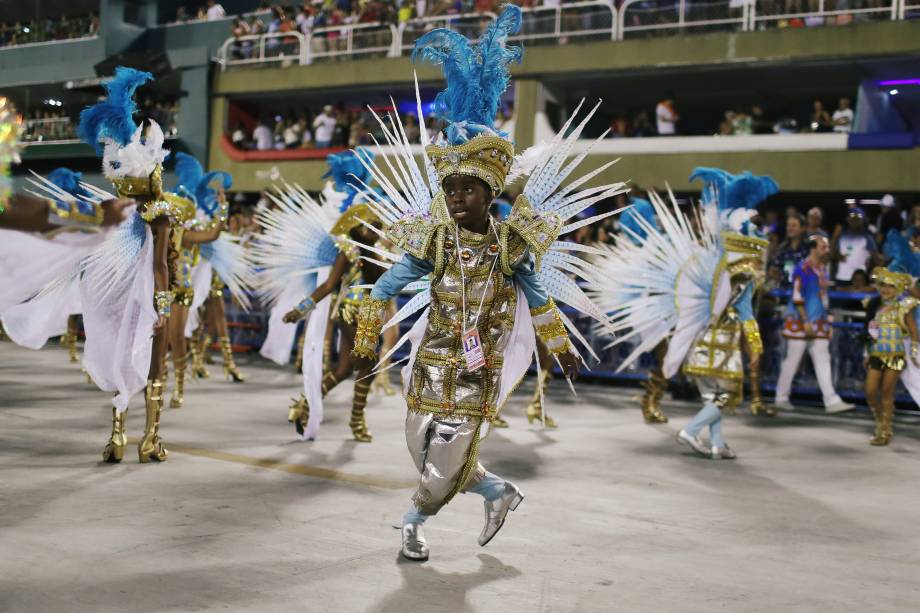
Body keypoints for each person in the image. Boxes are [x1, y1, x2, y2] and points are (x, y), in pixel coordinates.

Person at [350, 6, 622, 561]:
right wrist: (366, 323)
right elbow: (391, 281)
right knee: (420, 445)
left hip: (477, 369)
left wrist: (560, 346)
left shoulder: (510, 244)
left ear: (490, 193)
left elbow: (541, 298)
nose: (455, 199)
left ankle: (411, 522)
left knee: (445, 457)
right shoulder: (436, 239)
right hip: (429, 361)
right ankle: (497, 491)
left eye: (467, 191)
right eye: (450, 190)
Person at [773, 235, 855, 413]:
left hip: (818, 322)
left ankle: (831, 400)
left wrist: (827, 321)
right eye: (823, 247)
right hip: (802, 320)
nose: (827, 250)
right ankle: (781, 397)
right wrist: (805, 321)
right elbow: (796, 296)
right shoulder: (802, 268)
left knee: (823, 359)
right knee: (792, 360)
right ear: (813, 248)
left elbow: (822, 298)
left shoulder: (822, 269)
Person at [862, 269, 918, 446]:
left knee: (887, 391)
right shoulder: (873, 305)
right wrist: (866, 353)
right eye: (883, 285)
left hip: (896, 354)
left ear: (898, 289)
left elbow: (914, 334)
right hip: (877, 353)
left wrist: (914, 354)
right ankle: (880, 419)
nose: (886, 289)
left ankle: (885, 429)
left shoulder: (903, 308)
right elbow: (870, 333)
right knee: (870, 391)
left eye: (891, 286)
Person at [832, 207, 878, 286]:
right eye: (852, 216)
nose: (855, 219)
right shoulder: (841, 236)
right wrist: (838, 256)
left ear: (863, 220)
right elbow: (833, 254)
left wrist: (872, 273)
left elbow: (875, 258)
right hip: (842, 277)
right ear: (847, 219)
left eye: (858, 217)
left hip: (860, 280)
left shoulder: (867, 237)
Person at [770, 213, 809, 285]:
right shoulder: (782, 249)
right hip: (783, 290)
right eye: (788, 225)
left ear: (803, 228)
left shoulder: (809, 248)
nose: (790, 228)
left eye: (794, 225)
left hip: (804, 290)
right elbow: (774, 269)